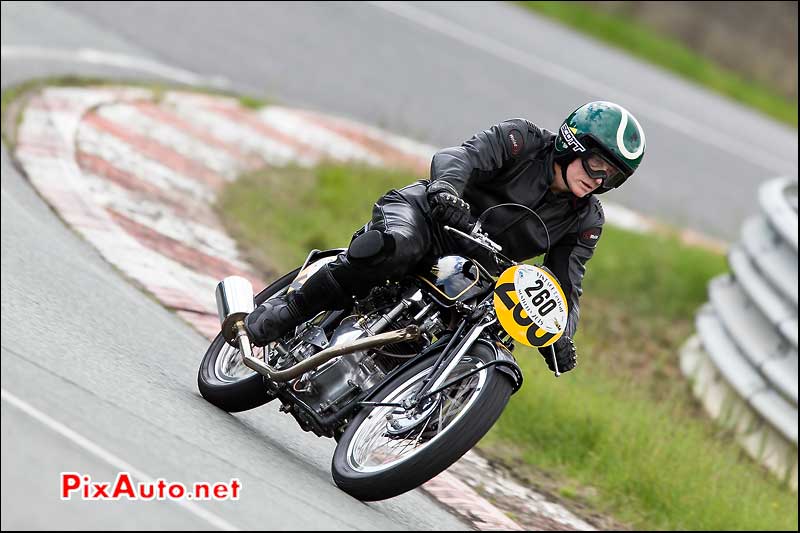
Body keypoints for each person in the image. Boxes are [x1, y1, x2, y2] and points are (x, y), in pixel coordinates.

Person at [245, 101, 646, 373]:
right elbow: (461, 157)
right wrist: (446, 192)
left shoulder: (586, 219)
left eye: (611, 175)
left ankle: (420, 402)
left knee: (485, 338)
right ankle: (291, 310)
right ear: (572, 142)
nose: (598, 179)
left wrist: (561, 334)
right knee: (393, 248)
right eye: (597, 163)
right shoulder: (522, 140)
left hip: (478, 273)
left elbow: (565, 286)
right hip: (430, 218)